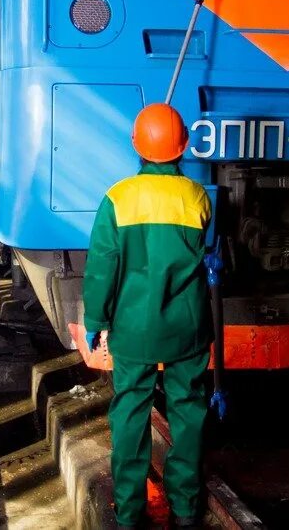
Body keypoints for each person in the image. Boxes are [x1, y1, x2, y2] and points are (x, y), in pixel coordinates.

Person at [82, 103, 212, 529]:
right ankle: (188, 509)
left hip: (134, 328)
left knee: (130, 412)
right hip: (188, 328)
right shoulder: (197, 197)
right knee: (189, 410)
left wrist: (96, 321)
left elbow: (103, 266)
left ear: (135, 145)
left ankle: (130, 511)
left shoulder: (117, 199)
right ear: (184, 147)